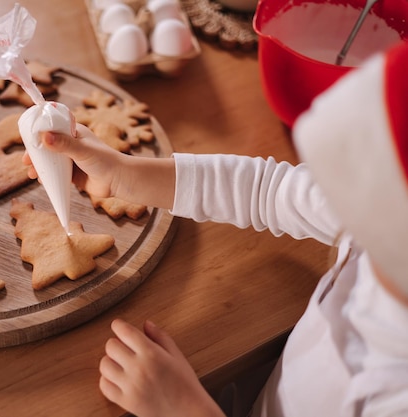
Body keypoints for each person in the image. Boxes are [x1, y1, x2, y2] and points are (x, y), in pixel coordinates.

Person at [23, 40, 408, 417]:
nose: (350, 216)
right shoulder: (380, 216)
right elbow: (269, 191)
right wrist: (124, 175)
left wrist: (184, 407)